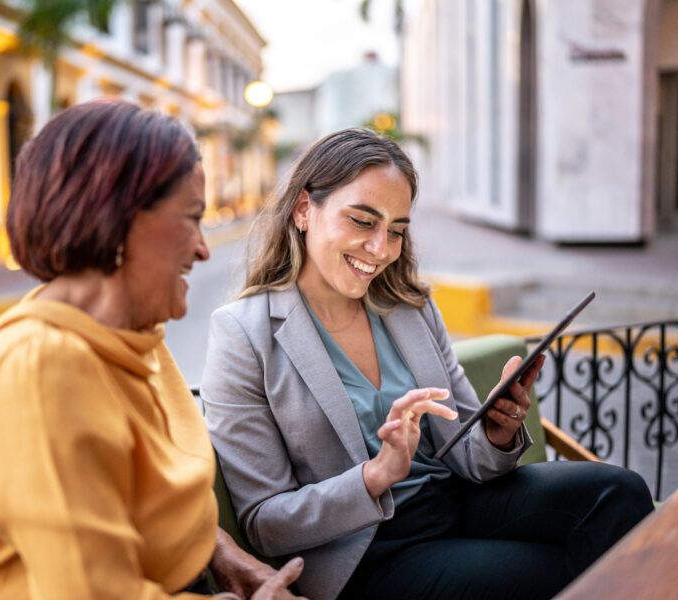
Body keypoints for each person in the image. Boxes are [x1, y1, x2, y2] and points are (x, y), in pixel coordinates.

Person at [201, 128, 654, 600]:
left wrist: (498, 430)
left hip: (456, 500)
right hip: (366, 550)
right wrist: (375, 475)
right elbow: (263, 523)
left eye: (396, 230)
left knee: (619, 492)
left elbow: (468, 452)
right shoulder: (243, 333)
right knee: (558, 569)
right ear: (302, 211)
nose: (381, 249)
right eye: (361, 221)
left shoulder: (407, 307)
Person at [0, 100, 305, 599]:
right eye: (191, 218)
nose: (202, 248)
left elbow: (135, 498)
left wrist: (225, 556)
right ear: (118, 221)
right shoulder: (44, 367)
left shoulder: (129, 337)